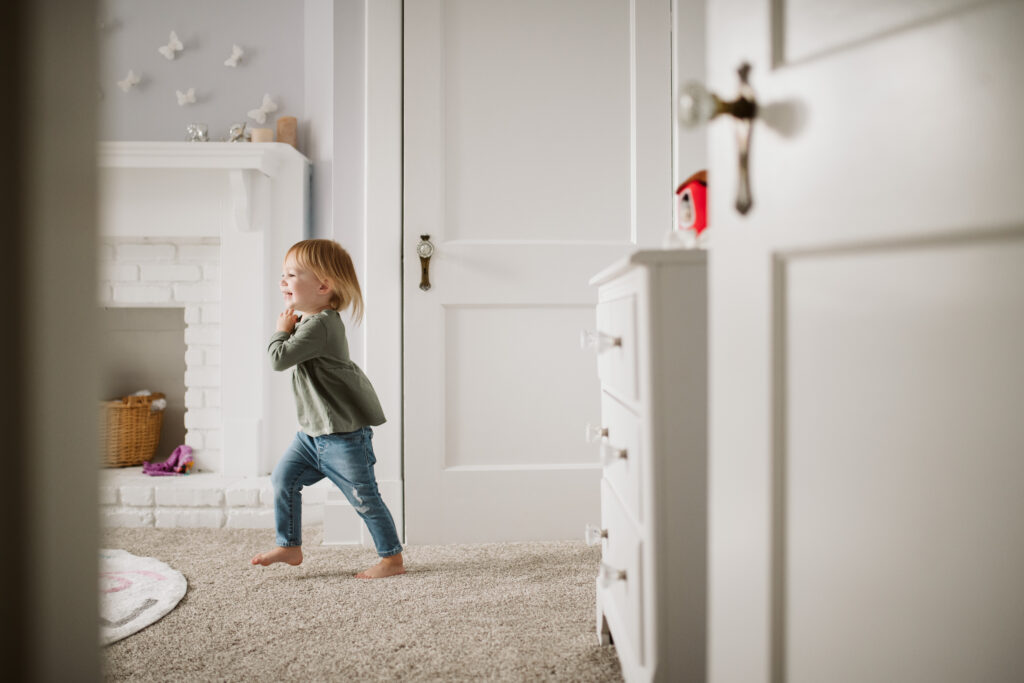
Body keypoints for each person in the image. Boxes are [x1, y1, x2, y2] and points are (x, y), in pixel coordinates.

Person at [251, 239, 405, 579]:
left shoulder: (321, 325)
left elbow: (279, 360)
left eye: (291, 274)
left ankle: (391, 560)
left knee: (364, 497)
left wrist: (280, 332)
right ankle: (290, 545)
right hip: (312, 434)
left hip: (342, 437)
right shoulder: (310, 322)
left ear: (323, 285)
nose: (283, 282)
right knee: (283, 480)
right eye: (282, 274)